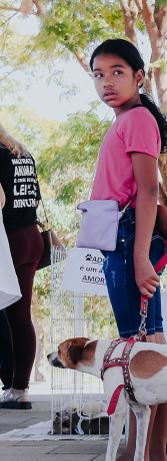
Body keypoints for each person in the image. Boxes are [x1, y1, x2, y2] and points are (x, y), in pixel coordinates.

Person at [77, 38, 167, 461]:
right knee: (154, 347)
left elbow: (147, 190)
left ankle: (129, 459)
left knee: (138, 351)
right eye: (98, 74)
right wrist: (163, 218)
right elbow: (145, 191)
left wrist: (141, 257)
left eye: (116, 72)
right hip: (124, 237)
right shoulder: (131, 120)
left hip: (125, 241)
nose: (106, 82)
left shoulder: (135, 119)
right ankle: (154, 458)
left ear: (139, 76)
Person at [0, 122, 44, 409]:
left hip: (11, 239)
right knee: (20, 316)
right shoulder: (23, 154)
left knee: (8, 313)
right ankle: (19, 388)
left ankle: (14, 385)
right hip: (33, 237)